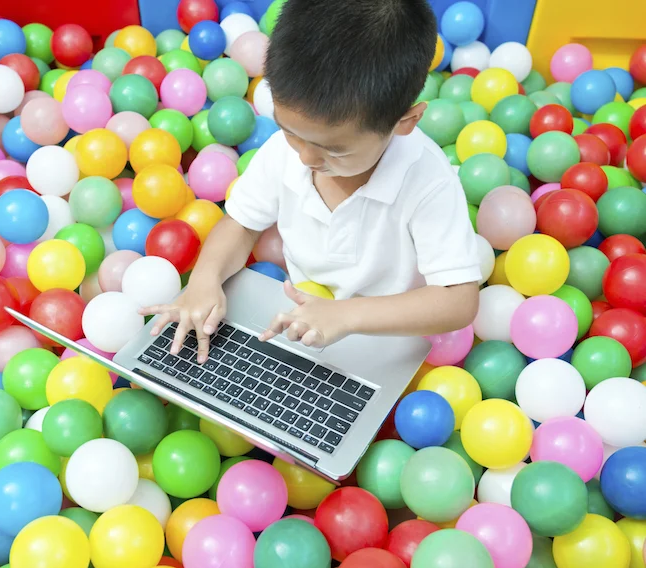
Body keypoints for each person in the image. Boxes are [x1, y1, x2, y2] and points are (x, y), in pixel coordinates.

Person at [142, 0, 481, 364]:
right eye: (290, 132)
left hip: (386, 335)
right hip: (296, 320)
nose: (306, 158)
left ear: (405, 121)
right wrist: (205, 280)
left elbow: (458, 300)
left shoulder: (427, 180)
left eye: (335, 151)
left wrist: (345, 316)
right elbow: (240, 224)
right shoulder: (283, 152)